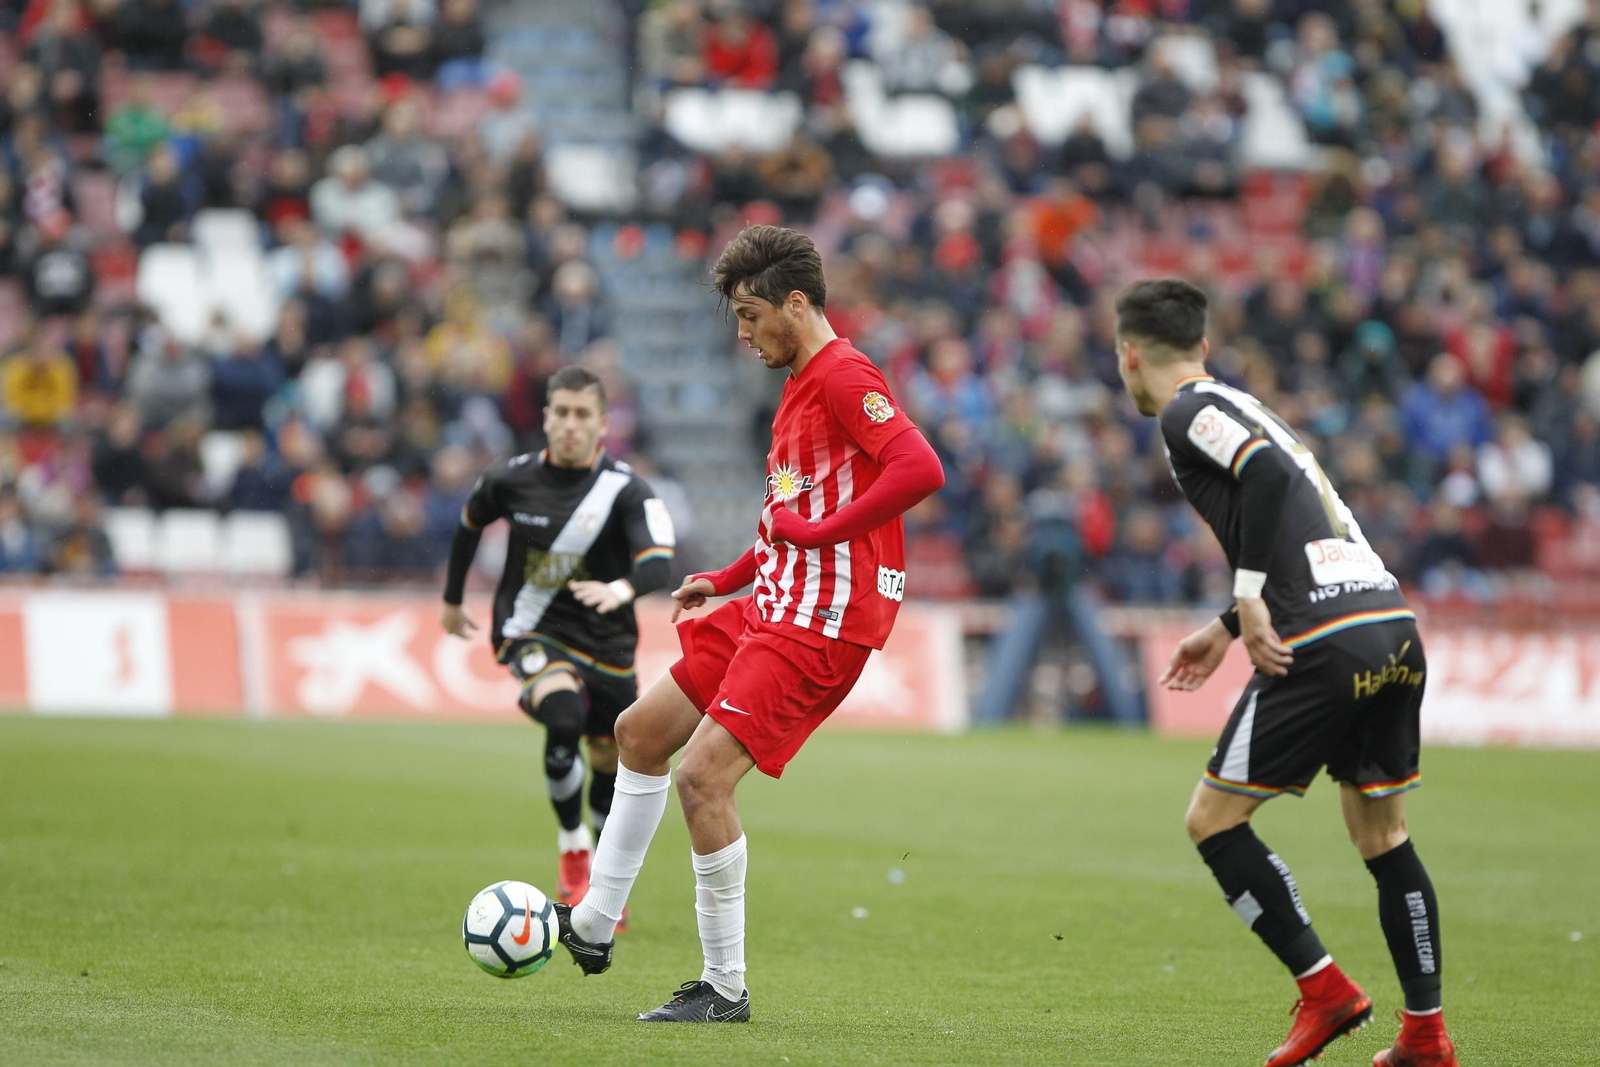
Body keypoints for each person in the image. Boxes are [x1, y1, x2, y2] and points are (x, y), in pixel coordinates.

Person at [552, 225, 945, 1023]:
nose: (742, 333)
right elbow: (791, 516)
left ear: (795, 305)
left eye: (749, 314)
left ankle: (724, 986)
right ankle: (594, 921)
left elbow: (920, 468)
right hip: (774, 603)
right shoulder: (801, 381)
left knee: (702, 777)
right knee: (639, 730)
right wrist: (727, 580)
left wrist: (821, 537)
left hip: (822, 621)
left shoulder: (843, 375)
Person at [1114, 279, 1456, 1067]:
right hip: (1389, 628)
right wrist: (1226, 626)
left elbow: (1265, 476)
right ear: (1201, 343)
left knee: (1213, 819)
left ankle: (1325, 988)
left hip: (1324, 640)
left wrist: (1245, 598)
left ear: (1130, 353)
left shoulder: (1182, 411)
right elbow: (1299, 509)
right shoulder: (1238, 401)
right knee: (1384, 834)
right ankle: (1427, 1036)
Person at [439, 365, 676, 912]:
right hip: (531, 627)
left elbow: (659, 564)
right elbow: (468, 524)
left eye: (582, 415)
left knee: (606, 759)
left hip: (608, 640)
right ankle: (572, 848)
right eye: (561, 413)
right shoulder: (509, 479)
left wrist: (619, 590)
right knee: (563, 712)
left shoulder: (627, 490)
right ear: (546, 418)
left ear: (602, 424)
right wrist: (453, 600)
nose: (570, 424)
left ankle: (599, 880)